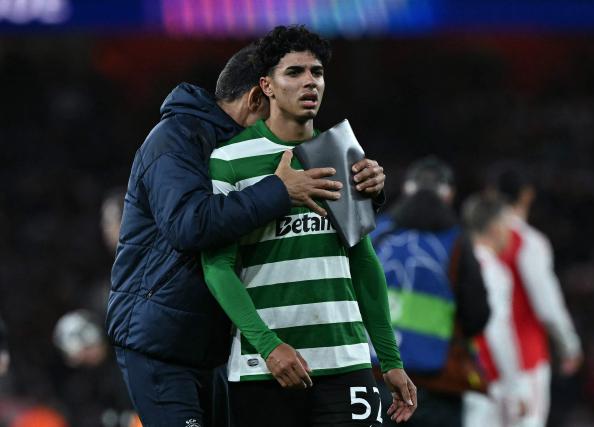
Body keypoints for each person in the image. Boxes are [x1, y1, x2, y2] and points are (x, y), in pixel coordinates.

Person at [107, 42, 387, 427]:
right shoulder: (174, 139)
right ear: (261, 93)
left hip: (217, 343)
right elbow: (189, 226)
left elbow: (326, 222)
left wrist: (368, 189)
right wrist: (278, 190)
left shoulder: (243, 148)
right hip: (163, 343)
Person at [201, 25, 416, 427]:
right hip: (265, 367)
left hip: (346, 360)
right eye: (295, 72)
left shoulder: (342, 152)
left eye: (316, 72)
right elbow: (216, 266)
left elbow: (363, 262)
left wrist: (389, 358)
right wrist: (267, 346)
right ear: (266, 85)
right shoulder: (230, 160)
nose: (309, 82)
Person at [371, 157, 490, 427]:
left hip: (379, 377)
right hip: (438, 385)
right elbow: (477, 316)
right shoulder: (458, 242)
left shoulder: (376, 235)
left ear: (407, 189)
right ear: (448, 196)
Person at [486, 164, 583, 427]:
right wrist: (569, 345)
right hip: (526, 362)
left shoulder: (478, 241)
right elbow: (547, 306)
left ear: (492, 194)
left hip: (484, 361)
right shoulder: (529, 242)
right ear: (528, 195)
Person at [461, 194, 528, 426]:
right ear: (494, 228)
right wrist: (515, 387)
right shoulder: (493, 272)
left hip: (450, 374)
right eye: (507, 226)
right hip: (483, 378)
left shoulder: (454, 262)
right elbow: (498, 330)